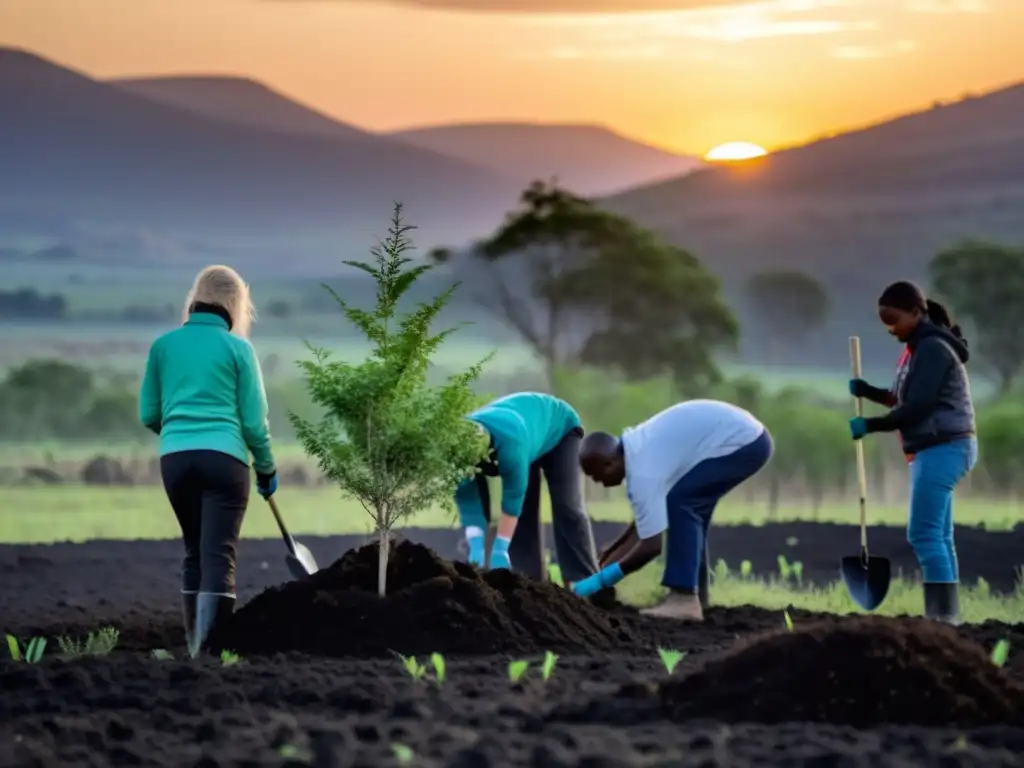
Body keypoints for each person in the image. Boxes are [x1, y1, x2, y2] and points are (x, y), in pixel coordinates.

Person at [138, 265, 278, 657]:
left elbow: (149, 414)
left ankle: (194, 646)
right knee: (219, 553)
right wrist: (266, 469)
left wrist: (183, 433)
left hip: (176, 461)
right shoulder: (239, 349)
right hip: (225, 463)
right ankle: (212, 653)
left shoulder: (163, 346)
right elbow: (254, 423)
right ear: (237, 306)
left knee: (194, 551)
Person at [572, 399, 773, 622]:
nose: (598, 482)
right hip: (745, 435)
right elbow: (644, 525)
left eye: (595, 475)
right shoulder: (635, 450)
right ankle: (697, 596)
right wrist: (606, 559)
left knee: (681, 503)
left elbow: (651, 546)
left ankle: (684, 598)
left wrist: (601, 580)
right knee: (690, 512)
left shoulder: (642, 471)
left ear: (609, 463)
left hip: (743, 442)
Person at [848, 280, 977, 624]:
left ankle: (941, 619)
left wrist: (871, 425)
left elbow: (918, 407)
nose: (891, 329)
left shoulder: (933, 348)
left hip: (944, 447)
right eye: (885, 323)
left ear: (917, 313)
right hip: (939, 447)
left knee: (923, 533)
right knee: (939, 535)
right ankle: (948, 617)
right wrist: (868, 392)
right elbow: (902, 398)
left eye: (894, 320)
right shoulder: (918, 348)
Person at [454, 392, 600, 584]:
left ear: (489, 452)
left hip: (560, 428)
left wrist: (500, 547)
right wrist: (475, 545)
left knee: (567, 505)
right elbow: (469, 500)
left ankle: (586, 582)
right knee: (524, 515)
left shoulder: (510, 447)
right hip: (528, 430)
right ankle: (529, 582)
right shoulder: (459, 444)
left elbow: (513, 498)